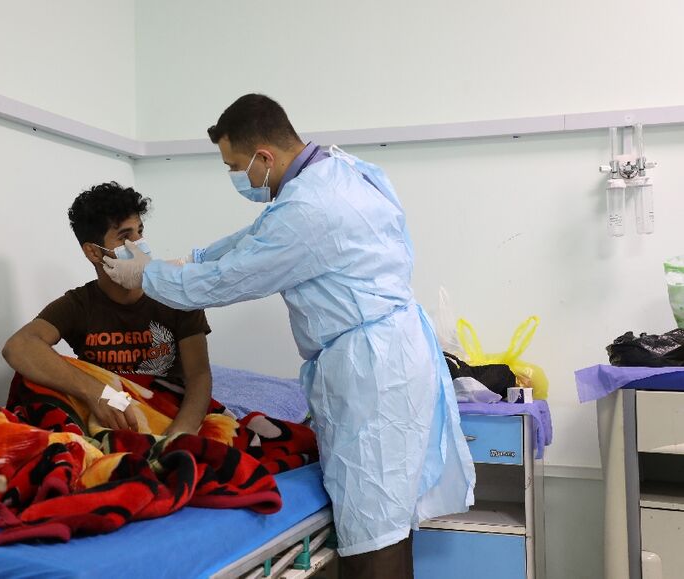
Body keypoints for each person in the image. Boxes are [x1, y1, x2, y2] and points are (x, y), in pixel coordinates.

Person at [101, 94, 476, 577]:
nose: (237, 177)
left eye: (235, 166)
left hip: (372, 372)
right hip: (386, 356)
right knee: (382, 515)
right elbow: (253, 239)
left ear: (264, 157)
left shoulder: (311, 208)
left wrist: (148, 277)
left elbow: (234, 276)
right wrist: (187, 260)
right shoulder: (339, 172)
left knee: (372, 522)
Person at [2, 181, 213, 435]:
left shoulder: (177, 295)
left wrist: (177, 438)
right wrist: (97, 393)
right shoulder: (80, 304)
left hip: (164, 414)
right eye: (125, 236)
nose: (139, 243)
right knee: (32, 379)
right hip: (108, 418)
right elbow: (18, 347)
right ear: (93, 252)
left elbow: (199, 376)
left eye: (140, 231)